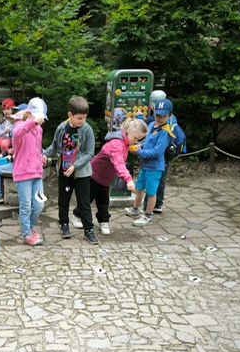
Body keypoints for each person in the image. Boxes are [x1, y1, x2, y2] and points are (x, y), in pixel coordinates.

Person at [77, 118, 148, 236]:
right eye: (136, 138)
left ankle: (103, 221)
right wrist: (128, 179)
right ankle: (77, 215)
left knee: (104, 201)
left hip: (105, 178)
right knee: (87, 198)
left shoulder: (125, 142)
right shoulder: (117, 144)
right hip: (94, 174)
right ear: (129, 131)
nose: (136, 142)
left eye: (139, 140)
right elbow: (118, 163)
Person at [43, 96, 98, 244]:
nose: (82, 121)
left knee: (84, 202)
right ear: (70, 115)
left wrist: (75, 166)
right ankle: (64, 224)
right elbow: (55, 146)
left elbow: (90, 153)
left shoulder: (87, 130)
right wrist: (45, 154)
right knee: (63, 200)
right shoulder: (62, 128)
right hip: (64, 170)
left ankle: (88, 229)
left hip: (81, 172)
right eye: (79, 118)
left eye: (84, 118)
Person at [124, 98, 173, 227]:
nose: (159, 118)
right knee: (139, 188)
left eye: (163, 116)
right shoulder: (151, 125)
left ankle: (148, 215)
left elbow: (157, 152)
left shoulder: (165, 132)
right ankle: (135, 209)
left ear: (169, 115)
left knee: (151, 192)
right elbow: (146, 141)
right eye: (157, 115)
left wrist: (139, 152)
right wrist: (139, 145)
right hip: (145, 165)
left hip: (155, 167)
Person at [12, 97, 48, 246]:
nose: (39, 121)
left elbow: (36, 148)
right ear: (28, 113)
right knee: (26, 206)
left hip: (36, 173)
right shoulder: (19, 127)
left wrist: (41, 156)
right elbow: (18, 133)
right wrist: (32, 122)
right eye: (36, 116)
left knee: (39, 204)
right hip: (23, 174)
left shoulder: (39, 130)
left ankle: (30, 228)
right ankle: (26, 234)